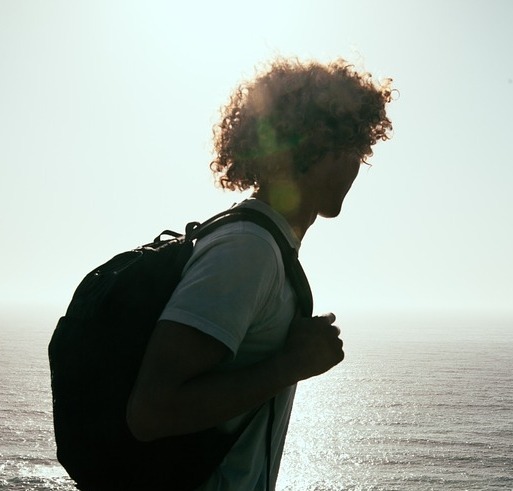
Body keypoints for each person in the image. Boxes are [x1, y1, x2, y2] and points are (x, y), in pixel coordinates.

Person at [126, 57, 393, 490]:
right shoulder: (249, 250)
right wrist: (291, 365)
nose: (356, 165)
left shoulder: (264, 246)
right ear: (309, 145)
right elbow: (151, 412)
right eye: (353, 145)